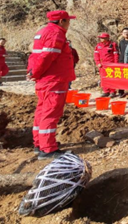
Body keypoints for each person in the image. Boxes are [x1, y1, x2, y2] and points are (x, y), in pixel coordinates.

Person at [27, 10, 76, 160]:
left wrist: (32, 72)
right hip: (54, 80)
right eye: (68, 20)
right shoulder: (56, 34)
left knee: (42, 112)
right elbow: (47, 57)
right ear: (61, 21)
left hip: (45, 80)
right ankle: (48, 149)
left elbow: (35, 56)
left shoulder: (42, 32)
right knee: (50, 113)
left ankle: (39, 143)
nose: (69, 23)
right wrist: (35, 73)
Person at [94, 33, 119, 98]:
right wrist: (98, 63)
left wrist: (115, 64)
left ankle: (112, 91)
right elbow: (96, 55)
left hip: (110, 64)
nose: (101, 39)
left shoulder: (113, 45)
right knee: (103, 78)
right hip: (102, 65)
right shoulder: (98, 45)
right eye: (101, 38)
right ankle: (106, 91)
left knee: (111, 78)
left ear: (107, 38)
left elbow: (116, 55)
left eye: (103, 38)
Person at [118, 28, 128, 98]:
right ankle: (121, 91)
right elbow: (120, 51)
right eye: (124, 32)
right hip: (122, 61)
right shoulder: (121, 42)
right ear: (122, 34)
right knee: (121, 77)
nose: (126, 34)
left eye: (127, 32)